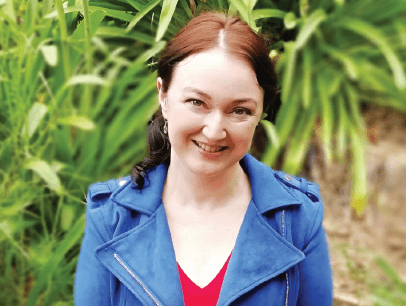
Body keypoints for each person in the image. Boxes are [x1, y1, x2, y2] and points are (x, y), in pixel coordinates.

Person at [74, 11, 333, 306]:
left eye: (240, 110)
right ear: (164, 97)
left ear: (260, 112)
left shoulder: (298, 220)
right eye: (197, 102)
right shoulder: (110, 218)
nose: (213, 131)